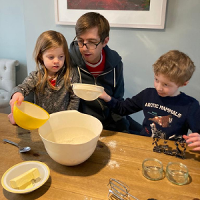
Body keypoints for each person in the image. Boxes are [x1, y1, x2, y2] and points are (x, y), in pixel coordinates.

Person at [99, 50, 200, 139]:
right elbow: (122, 109)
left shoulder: (190, 105)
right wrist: (107, 98)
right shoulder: (148, 94)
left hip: (171, 153)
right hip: (145, 145)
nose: (158, 87)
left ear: (183, 83)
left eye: (166, 84)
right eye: (156, 79)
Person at [69, 12, 141, 133]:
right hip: (81, 123)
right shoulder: (68, 61)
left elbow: (118, 100)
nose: (84, 48)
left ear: (105, 41)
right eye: (81, 41)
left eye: (92, 42)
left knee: (146, 136)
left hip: (110, 119)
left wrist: (123, 129)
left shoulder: (116, 64)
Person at [8, 30, 79, 124]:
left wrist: (68, 118)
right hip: (41, 123)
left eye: (61, 56)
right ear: (41, 56)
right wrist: (16, 94)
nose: (56, 61)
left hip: (62, 123)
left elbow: (75, 98)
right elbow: (22, 87)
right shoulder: (36, 76)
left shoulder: (71, 75)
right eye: (51, 57)